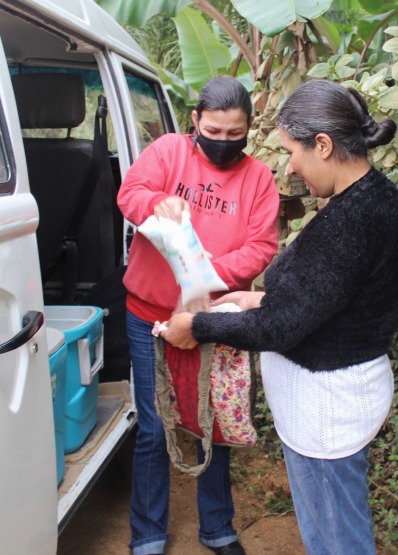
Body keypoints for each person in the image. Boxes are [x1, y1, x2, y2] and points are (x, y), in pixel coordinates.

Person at [161, 79, 398, 555]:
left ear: (323, 144)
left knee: (338, 541)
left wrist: (196, 326)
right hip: (327, 404)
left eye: (293, 151)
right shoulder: (369, 197)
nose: (291, 166)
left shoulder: (352, 220)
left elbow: (279, 328)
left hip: (329, 412)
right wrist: (255, 300)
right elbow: (327, 299)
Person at [117, 75, 280, 555]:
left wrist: (203, 274)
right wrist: (156, 202)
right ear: (195, 121)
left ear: (249, 127)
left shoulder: (259, 177)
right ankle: (147, 534)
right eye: (214, 131)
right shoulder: (168, 152)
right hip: (149, 314)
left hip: (217, 319)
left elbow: (261, 247)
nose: (224, 142)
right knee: (153, 426)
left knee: (216, 424)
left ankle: (218, 528)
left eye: (235, 134)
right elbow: (130, 194)